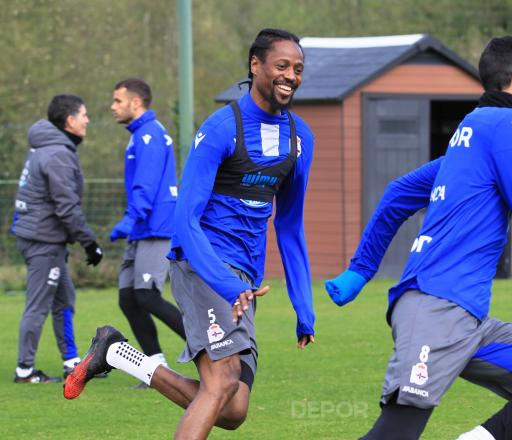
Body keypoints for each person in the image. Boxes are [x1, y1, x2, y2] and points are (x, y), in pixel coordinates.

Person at [325, 36, 512, 440]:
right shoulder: (506, 124)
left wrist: (360, 271)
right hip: (435, 311)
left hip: (469, 323)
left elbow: (397, 194)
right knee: (396, 432)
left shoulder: (474, 133)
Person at [64, 28, 316, 439]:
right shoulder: (221, 129)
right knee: (222, 380)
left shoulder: (300, 138)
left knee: (233, 410)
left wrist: (303, 307)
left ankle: (116, 352)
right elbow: (186, 220)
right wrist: (223, 281)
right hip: (202, 264)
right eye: (282, 66)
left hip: (243, 280)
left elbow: (289, 225)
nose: (291, 75)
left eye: (298, 69)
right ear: (256, 66)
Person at [11, 94, 103, 383]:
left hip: (41, 237)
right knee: (38, 304)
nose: (88, 120)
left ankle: (72, 362)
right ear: (70, 120)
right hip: (43, 241)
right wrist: (89, 241)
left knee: (64, 299)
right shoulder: (58, 154)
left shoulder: (46, 149)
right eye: (84, 115)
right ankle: (24, 370)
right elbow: (66, 206)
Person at [109, 78, 185, 378]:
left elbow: (147, 185)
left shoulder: (150, 135)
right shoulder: (139, 134)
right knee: (128, 298)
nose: (112, 106)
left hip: (155, 227)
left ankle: (209, 349)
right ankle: (156, 365)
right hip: (142, 227)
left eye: (117, 100)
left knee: (147, 295)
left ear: (135, 103)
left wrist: (131, 217)